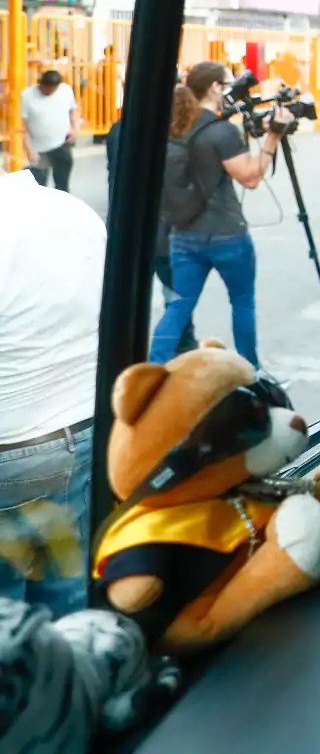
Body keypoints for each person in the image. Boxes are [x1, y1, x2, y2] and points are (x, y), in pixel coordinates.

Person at [0, 165, 106, 616]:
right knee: (64, 590)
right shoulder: (73, 211)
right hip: (83, 430)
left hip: (12, 449)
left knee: (10, 616)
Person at [150, 62, 293, 367]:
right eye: (227, 85)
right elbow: (251, 177)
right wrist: (273, 137)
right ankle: (250, 371)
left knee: (178, 307)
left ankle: (153, 369)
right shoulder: (220, 132)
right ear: (215, 88)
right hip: (227, 234)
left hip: (184, 234)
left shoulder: (172, 126)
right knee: (242, 304)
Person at [106, 90, 195, 352]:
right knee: (176, 297)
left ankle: (122, 350)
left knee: (128, 300)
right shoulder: (178, 141)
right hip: (167, 233)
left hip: (126, 230)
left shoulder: (119, 130)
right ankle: (179, 348)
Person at [20, 70, 81, 192]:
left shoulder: (66, 91)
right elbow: (22, 127)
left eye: (52, 90)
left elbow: (73, 111)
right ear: (40, 84)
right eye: (45, 89)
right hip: (38, 149)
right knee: (38, 189)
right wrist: (30, 150)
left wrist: (75, 130)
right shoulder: (27, 95)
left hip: (61, 145)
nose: (48, 92)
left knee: (62, 186)